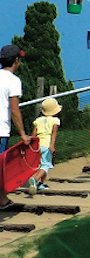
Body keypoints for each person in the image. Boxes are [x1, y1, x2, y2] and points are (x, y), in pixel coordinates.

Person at [0, 45, 29, 210]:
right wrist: (22, 133)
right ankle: (2, 200)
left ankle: (2, 198)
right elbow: (14, 110)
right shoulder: (13, 81)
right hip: (1, 129)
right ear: (16, 60)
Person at [26, 97, 61, 195]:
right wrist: (52, 145)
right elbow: (54, 133)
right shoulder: (55, 120)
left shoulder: (38, 120)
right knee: (46, 165)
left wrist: (31, 146)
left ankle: (42, 183)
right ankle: (35, 179)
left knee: (41, 164)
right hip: (47, 145)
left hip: (38, 145)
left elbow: (34, 134)